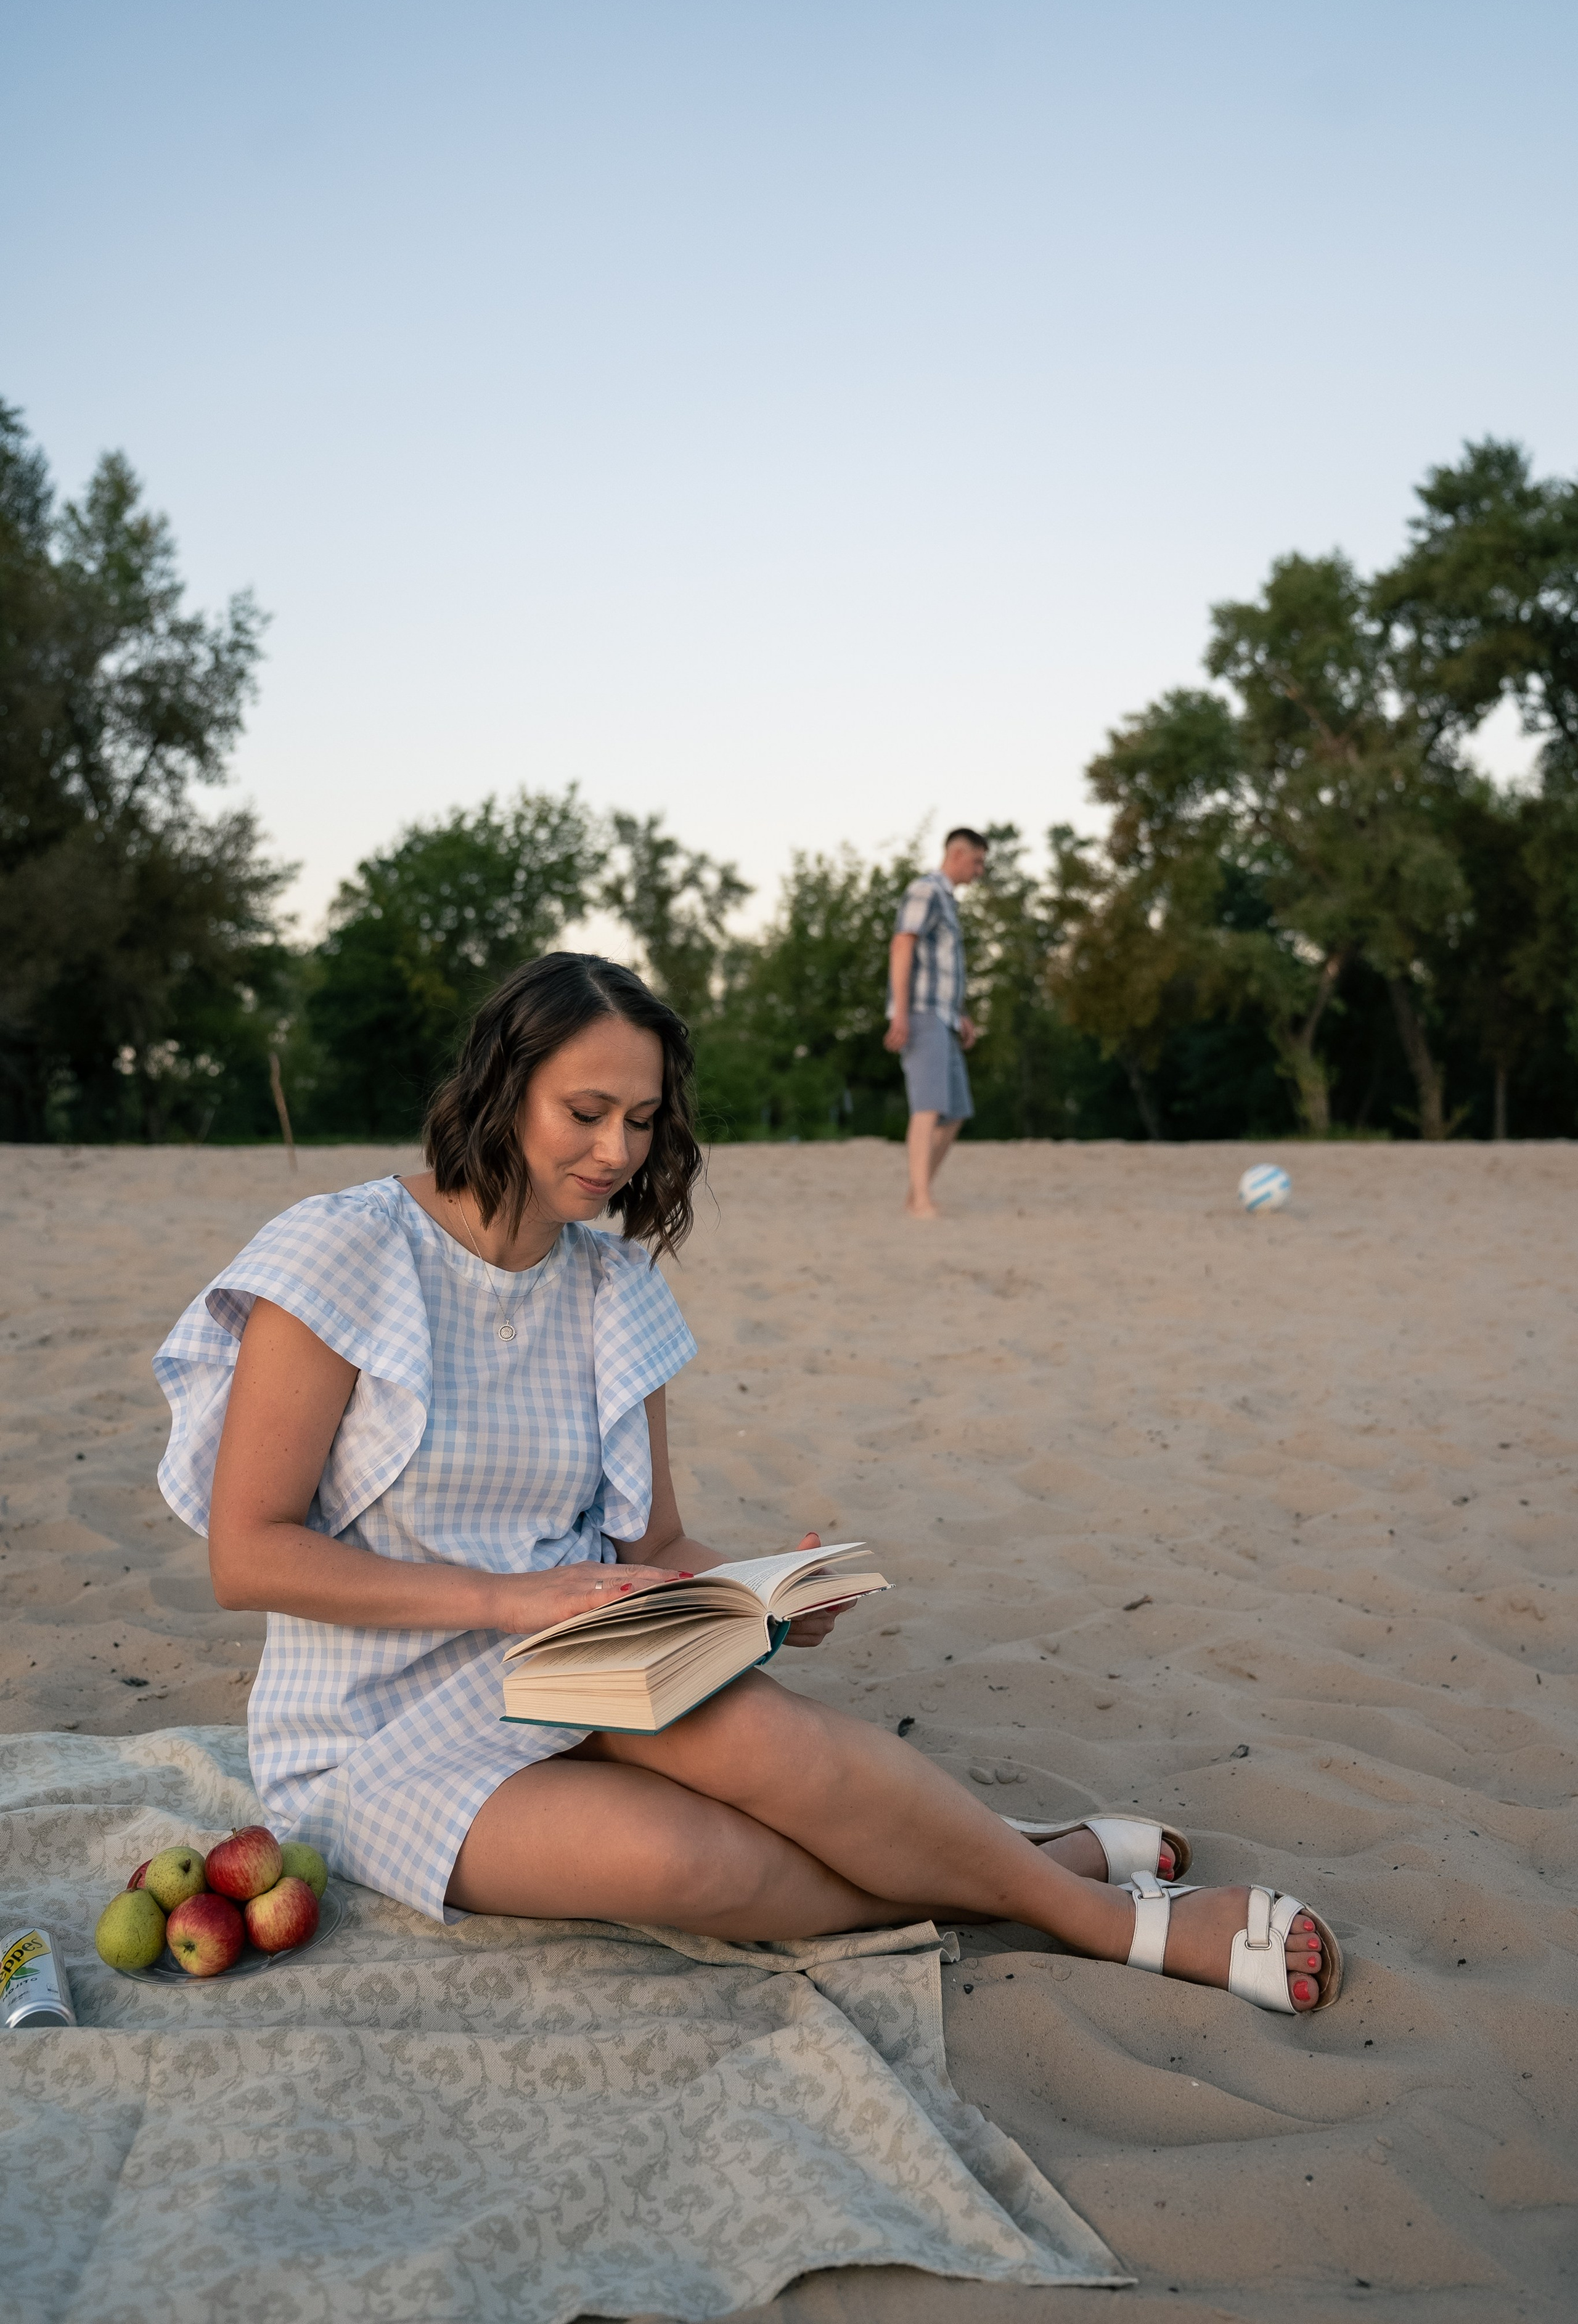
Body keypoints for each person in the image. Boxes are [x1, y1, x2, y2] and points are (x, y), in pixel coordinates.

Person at [153, 952, 1339, 2014]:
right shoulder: (344, 1249)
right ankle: (1034, 1870)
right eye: (586, 1110)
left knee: (781, 1753)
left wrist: (767, 1592)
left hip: (574, 1663)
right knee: (697, 1866)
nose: (616, 1152)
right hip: (372, 1733)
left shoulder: (611, 1287)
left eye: (642, 1119)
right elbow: (248, 1553)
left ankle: (1100, 1922)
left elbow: (656, 1544)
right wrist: (506, 1600)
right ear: (501, 1085)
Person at [885, 829, 987, 1218]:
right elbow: (902, 945)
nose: (979, 872)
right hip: (921, 1014)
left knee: (956, 1111)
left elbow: (941, 967)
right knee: (927, 1108)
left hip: (944, 1017)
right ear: (958, 855)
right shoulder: (926, 890)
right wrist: (901, 1012)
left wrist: (960, 1013)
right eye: (977, 862)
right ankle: (921, 1201)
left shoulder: (948, 902)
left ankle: (917, 1194)